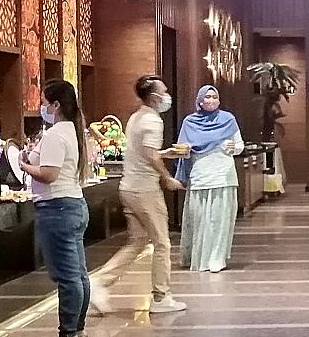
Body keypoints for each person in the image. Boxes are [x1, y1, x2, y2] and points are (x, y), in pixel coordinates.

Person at [90, 75, 187, 316]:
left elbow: (145, 152)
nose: (167, 96)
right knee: (162, 243)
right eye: (163, 92)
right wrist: (167, 177)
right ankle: (161, 296)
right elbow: (150, 156)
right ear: (154, 96)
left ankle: (99, 283)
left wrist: (164, 153)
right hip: (145, 191)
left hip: (129, 187)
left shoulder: (135, 118)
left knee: (138, 241)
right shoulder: (153, 121)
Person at [19, 79, 92, 337]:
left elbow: (48, 174)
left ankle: (67, 334)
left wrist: (24, 165)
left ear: (56, 105)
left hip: (57, 209)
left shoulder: (55, 135)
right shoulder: (72, 131)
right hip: (73, 205)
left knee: (68, 277)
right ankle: (78, 328)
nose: (42, 107)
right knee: (79, 275)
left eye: (45, 102)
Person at [176, 85, 245, 273]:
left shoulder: (228, 119)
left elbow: (239, 145)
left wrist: (234, 148)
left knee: (219, 219)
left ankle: (216, 258)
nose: (211, 100)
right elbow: (181, 149)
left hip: (223, 174)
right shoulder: (189, 122)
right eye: (207, 97)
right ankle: (198, 258)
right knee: (199, 219)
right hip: (200, 175)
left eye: (215, 97)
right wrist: (184, 149)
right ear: (199, 100)